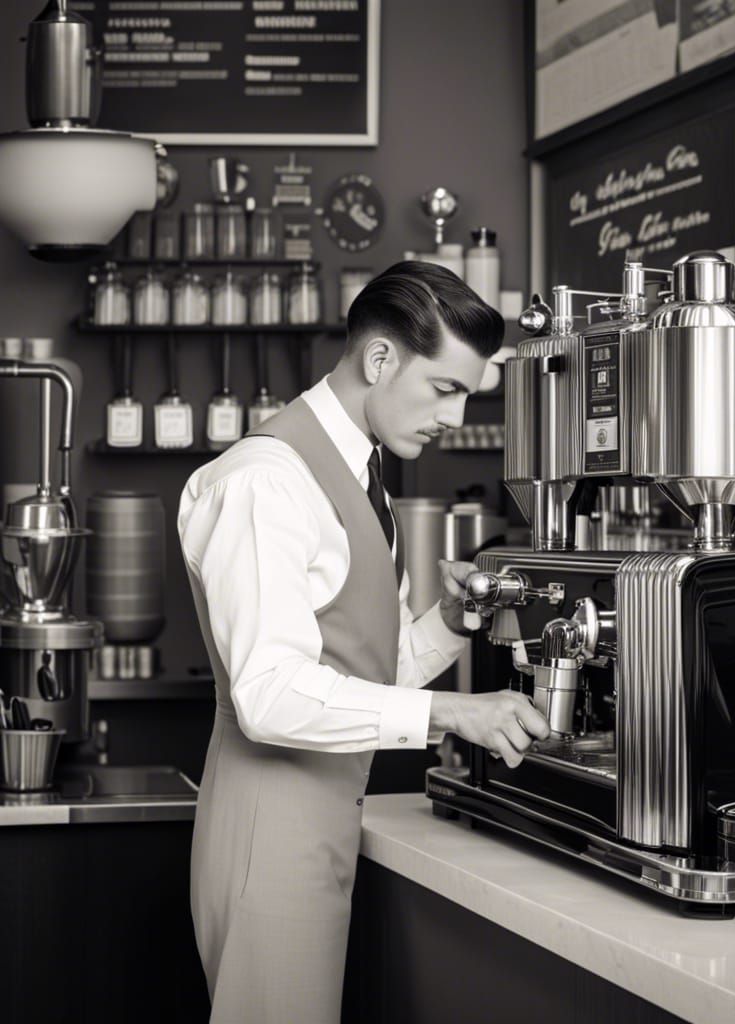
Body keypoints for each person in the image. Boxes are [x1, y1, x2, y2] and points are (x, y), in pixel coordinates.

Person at [178, 261, 551, 1023]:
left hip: (320, 826)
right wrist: (454, 713)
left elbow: (362, 676)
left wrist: (449, 624)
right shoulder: (264, 482)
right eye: (445, 388)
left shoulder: (363, 478)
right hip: (267, 838)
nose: (453, 417)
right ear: (380, 359)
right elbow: (271, 695)